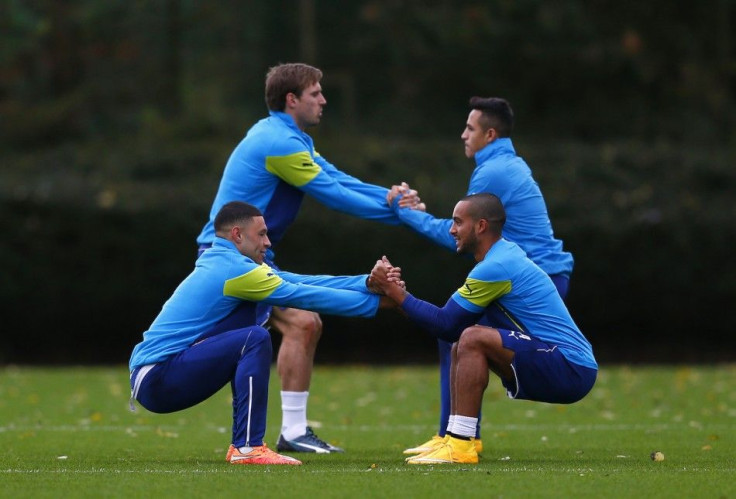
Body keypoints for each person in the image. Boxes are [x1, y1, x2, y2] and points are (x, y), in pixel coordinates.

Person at [195, 63, 420, 453]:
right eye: (316, 93)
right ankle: (276, 435)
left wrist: (391, 197)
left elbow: (340, 179)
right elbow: (334, 196)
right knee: (302, 321)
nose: (323, 100)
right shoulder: (278, 142)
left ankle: (281, 433)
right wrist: (399, 214)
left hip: (245, 255)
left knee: (298, 325)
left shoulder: (291, 138)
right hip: (230, 257)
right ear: (291, 99)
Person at [129, 201, 394, 465]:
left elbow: (297, 280)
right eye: (262, 234)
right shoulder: (235, 269)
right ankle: (248, 448)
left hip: (154, 376)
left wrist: (365, 283)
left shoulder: (227, 260)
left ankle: (244, 446)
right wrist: (382, 302)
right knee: (254, 338)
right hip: (157, 378)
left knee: (249, 333)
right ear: (237, 235)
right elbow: (304, 296)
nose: (267, 242)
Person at [386, 97, 574, 456]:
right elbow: (464, 226)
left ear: (489, 134)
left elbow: (458, 231)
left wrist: (405, 213)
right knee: (454, 335)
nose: (463, 135)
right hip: (546, 275)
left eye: (470, 128)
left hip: (538, 280)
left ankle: (458, 439)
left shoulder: (493, 171)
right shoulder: (505, 163)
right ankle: (454, 436)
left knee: (455, 331)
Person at [370, 193, 597, 464]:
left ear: (480, 226)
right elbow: (450, 330)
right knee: (461, 342)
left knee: (472, 337)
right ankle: (455, 438)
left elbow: (444, 323)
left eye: (457, 222)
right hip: (566, 364)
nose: (452, 230)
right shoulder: (499, 257)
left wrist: (395, 294)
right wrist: (398, 295)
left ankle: (461, 445)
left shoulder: (496, 266)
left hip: (571, 367)